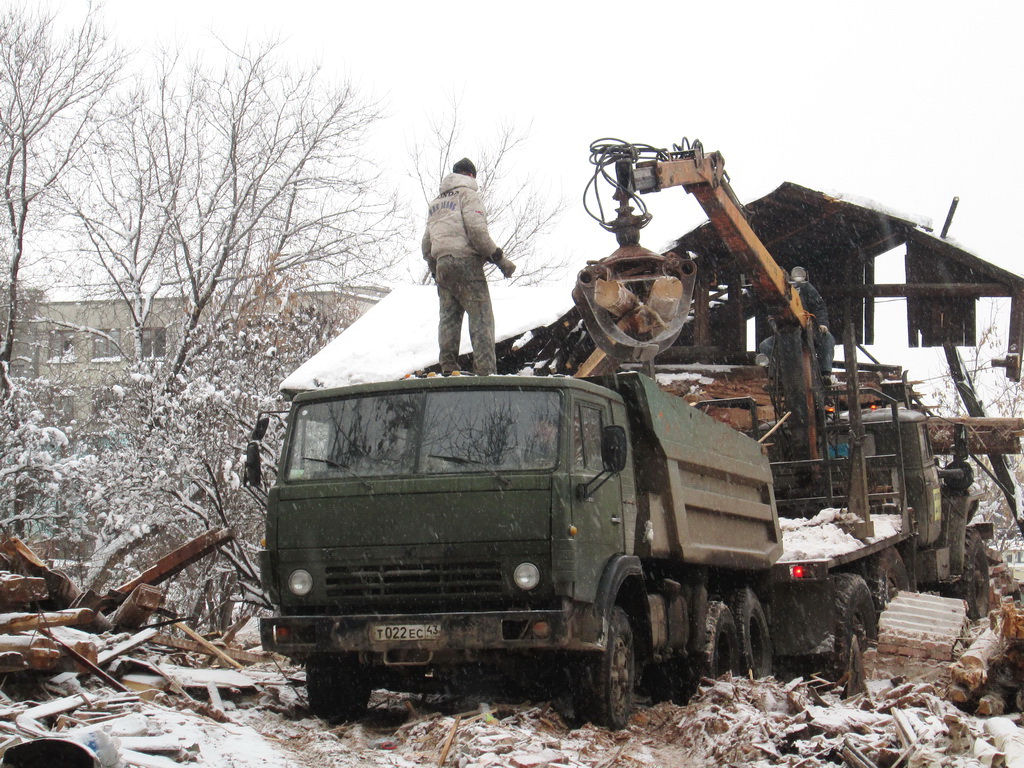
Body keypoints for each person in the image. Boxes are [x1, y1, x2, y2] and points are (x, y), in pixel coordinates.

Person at [422, 158, 517, 376]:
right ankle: (485, 371)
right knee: (481, 318)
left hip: (442, 265)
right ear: (471, 176)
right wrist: (499, 259)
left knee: (449, 317)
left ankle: (448, 365)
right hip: (466, 264)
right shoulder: (469, 195)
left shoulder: (436, 203)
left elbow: (426, 244)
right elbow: (476, 232)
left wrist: (435, 267)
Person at [758, 266, 836, 377]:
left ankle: (825, 373)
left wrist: (822, 324)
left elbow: (820, 307)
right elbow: (771, 316)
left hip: (809, 333)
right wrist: (777, 328)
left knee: (827, 339)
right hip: (786, 334)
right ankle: (778, 376)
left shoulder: (805, 287)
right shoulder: (774, 295)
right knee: (765, 346)